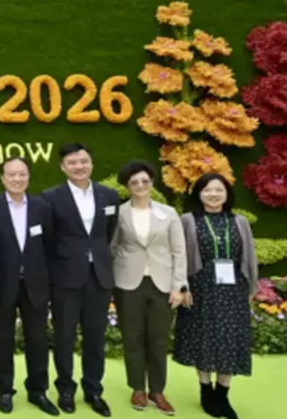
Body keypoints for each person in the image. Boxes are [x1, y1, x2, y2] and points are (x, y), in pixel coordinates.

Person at [40, 142, 119, 417]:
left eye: (83, 161)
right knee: (64, 336)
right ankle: (65, 389)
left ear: (91, 163)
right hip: (65, 278)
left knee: (95, 337)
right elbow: (47, 240)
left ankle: (94, 389)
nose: (79, 166)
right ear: (63, 167)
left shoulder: (109, 196)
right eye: (72, 162)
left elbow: (108, 234)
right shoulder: (50, 198)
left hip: (98, 276)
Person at [173, 174, 257, 419]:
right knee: (203, 338)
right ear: (199, 194)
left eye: (218, 190)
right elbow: (179, 257)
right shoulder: (188, 221)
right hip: (200, 288)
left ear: (227, 193)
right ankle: (205, 391)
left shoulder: (239, 221)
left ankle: (223, 395)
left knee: (230, 340)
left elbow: (249, 256)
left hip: (232, 289)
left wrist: (251, 286)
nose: (213, 194)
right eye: (207, 190)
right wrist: (182, 287)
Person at [0, 157, 60, 416]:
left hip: (36, 286)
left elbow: (49, 248)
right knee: (2, 340)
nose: (17, 179)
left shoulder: (42, 207)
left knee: (38, 340)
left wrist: (48, 283)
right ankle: (5, 390)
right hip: (2, 288)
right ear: (2, 178)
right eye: (11, 174)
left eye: (22, 174)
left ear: (28, 176)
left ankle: (38, 390)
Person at [111, 161, 188, 415]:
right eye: (134, 182)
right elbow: (112, 248)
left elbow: (179, 251)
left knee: (158, 338)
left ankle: (157, 391)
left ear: (152, 183)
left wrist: (180, 286)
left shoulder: (168, 213)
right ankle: (137, 389)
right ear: (127, 187)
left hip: (162, 284)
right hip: (127, 283)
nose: (140, 186)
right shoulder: (119, 213)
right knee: (132, 338)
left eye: (145, 181)